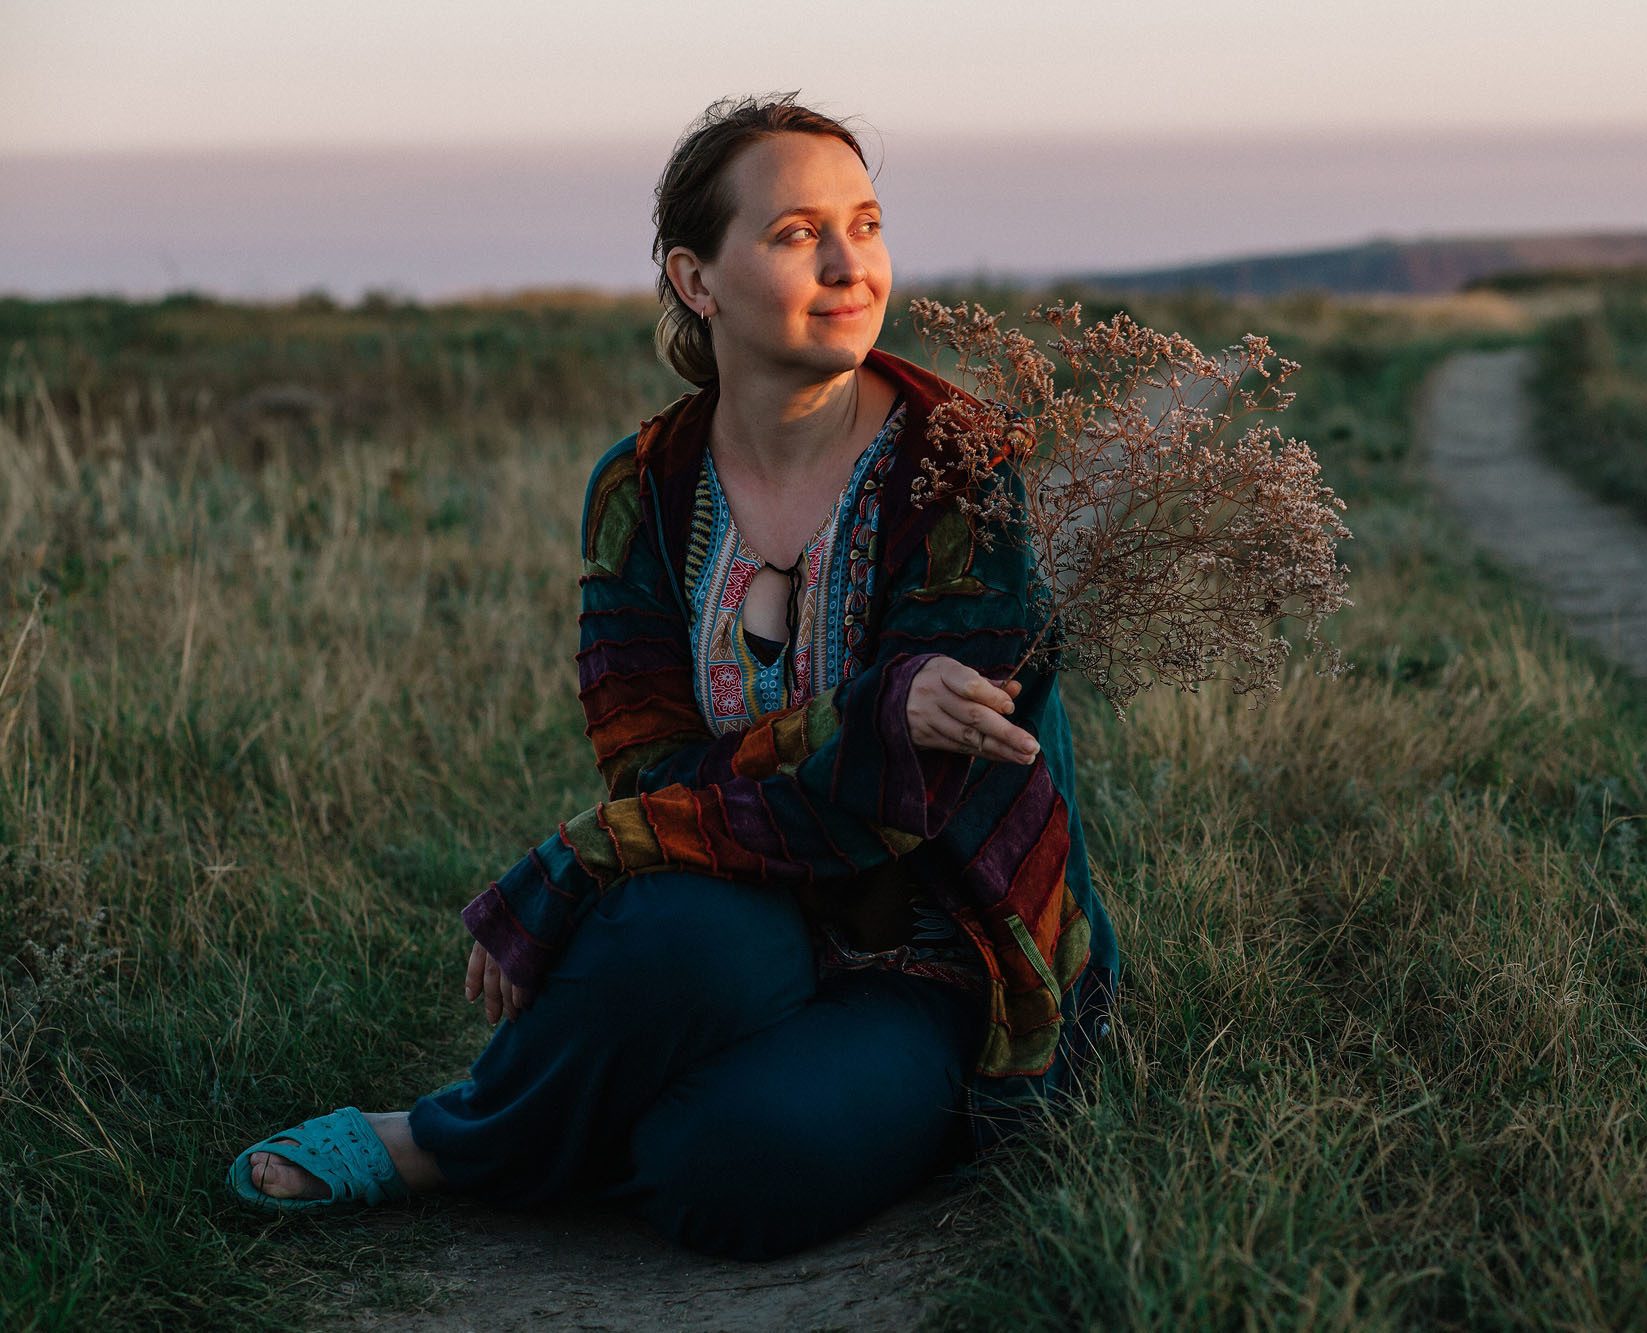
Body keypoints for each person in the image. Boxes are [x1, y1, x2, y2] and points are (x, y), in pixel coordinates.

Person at [228, 94, 1119, 1261]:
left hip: (939, 947)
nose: (851, 264)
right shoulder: (641, 488)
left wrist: (592, 845)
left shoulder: (965, 473)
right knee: (665, 941)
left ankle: (579, 1121)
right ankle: (431, 1140)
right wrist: (869, 719)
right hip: (739, 907)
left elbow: (918, 800)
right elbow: (649, 764)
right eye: (798, 232)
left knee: (726, 1176)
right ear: (697, 280)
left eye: (866, 222)